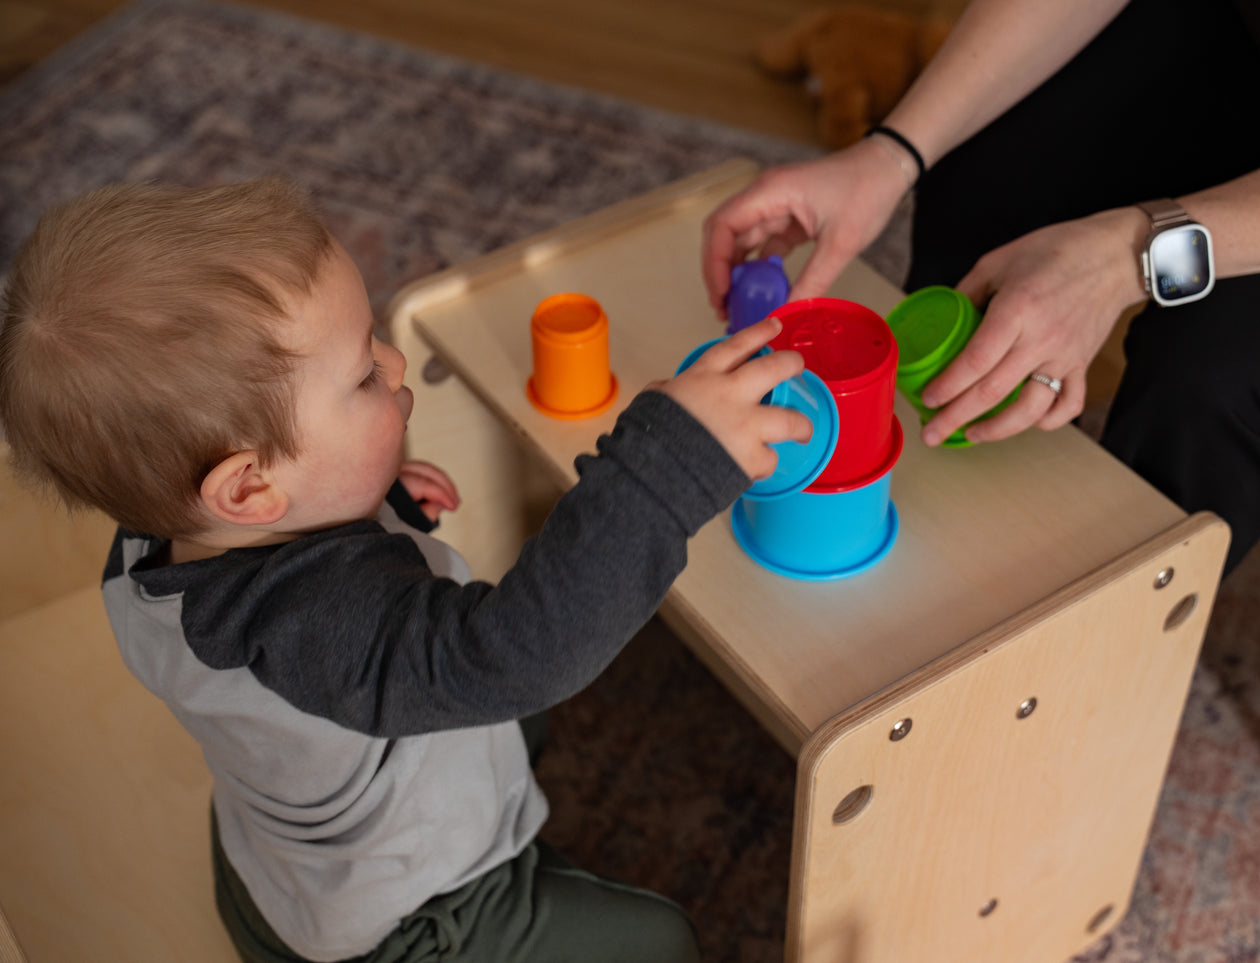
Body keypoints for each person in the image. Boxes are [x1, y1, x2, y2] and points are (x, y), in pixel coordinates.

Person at [0, 178, 810, 963]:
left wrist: (368, 499)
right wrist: (672, 463)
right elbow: (517, 655)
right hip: (405, 915)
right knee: (657, 941)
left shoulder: (155, 538)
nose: (395, 367)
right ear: (249, 487)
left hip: (285, 851)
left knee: (486, 706)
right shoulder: (311, 624)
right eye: (362, 375)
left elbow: (286, 551)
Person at [702, 0, 1260, 573]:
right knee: (987, 175)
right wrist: (891, 155)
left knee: (1209, 368)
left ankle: (1110, 652)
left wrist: (1123, 253)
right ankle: (942, 507)